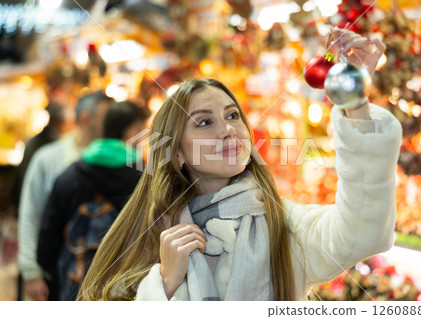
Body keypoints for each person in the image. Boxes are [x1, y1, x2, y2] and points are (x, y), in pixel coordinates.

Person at [78, 30, 402, 301]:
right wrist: (163, 283)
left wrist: (355, 103)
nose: (228, 129)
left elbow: (363, 231)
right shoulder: (154, 232)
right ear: (176, 153)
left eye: (232, 115)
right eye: (204, 123)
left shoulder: (284, 225)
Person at [37, 101, 150, 301]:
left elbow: (47, 244)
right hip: (125, 292)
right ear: (133, 133)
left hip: (74, 288)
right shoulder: (146, 181)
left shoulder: (69, 176)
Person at [18, 91, 113, 301]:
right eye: (107, 116)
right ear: (86, 119)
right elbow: (29, 215)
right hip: (56, 274)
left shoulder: (116, 161)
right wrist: (31, 272)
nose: (112, 123)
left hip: (104, 278)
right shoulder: (48, 158)